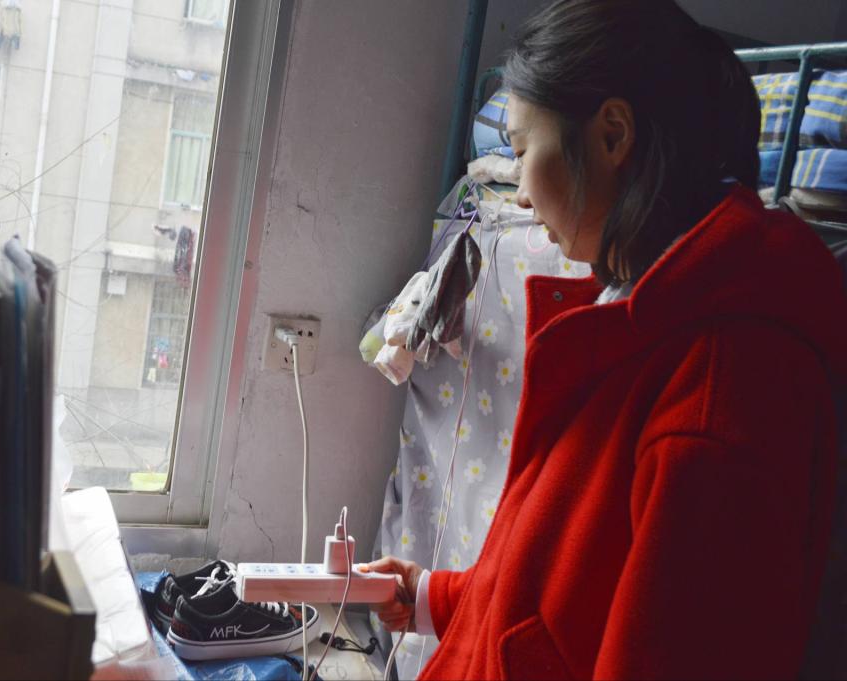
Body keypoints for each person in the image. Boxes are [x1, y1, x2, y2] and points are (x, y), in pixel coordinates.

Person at [360, 0, 847, 678]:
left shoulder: (718, 398)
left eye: (523, 151)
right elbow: (559, 587)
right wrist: (430, 596)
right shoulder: (633, 318)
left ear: (612, 136)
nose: (520, 196)